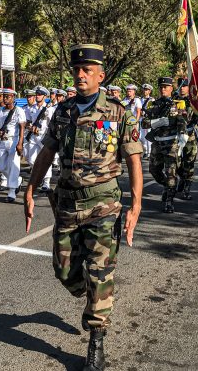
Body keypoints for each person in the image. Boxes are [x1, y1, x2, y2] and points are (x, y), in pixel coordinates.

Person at [24, 44, 143, 371]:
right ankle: (89, 292)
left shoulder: (118, 112)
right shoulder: (63, 111)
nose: (80, 75)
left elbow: (134, 160)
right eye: (76, 70)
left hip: (104, 204)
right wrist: (31, 189)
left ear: (100, 76)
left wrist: (135, 206)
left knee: (99, 271)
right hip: (67, 203)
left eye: (87, 70)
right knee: (64, 270)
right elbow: (47, 152)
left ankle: (96, 338)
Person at [143, 77, 186, 213]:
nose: (163, 89)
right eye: (161, 87)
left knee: (170, 172)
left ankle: (169, 201)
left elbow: (182, 120)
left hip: (171, 143)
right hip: (157, 142)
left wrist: (182, 134)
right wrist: (156, 122)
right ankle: (167, 186)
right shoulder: (153, 104)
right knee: (154, 170)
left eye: (166, 87)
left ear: (171, 88)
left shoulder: (177, 104)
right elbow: (144, 123)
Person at [174, 78, 198, 201]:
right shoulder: (173, 100)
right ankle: (182, 177)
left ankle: (187, 188)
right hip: (175, 136)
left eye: (185, 86)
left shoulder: (193, 101)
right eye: (180, 86)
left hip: (190, 136)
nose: (182, 88)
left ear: (188, 87)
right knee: (175, 162)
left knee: (189, 162)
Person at [0, 88, 26, 202]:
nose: (5, 98)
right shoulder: (0, 111)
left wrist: (20, 143)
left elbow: (22, 128)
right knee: (1, 166)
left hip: (14, 140)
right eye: (4, 96)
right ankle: (17, 180)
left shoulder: (19, 111)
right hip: (2, 141)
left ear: (13, 98)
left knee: (13, 165)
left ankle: (12, 192)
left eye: (8, 96)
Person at [26, 86, 54, 192]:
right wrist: (30, 127)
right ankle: (41, 176)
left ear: (45, 96)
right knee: (31, 159)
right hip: (33, 136)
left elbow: (52, 124)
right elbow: (28, 121)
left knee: (46, 159)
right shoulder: (31, 108)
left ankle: (46, 182)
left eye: (40, 94)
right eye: (37, 94)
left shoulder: (49, 109)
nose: (37, 96)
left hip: (44, 136)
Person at [140, 84, 155, 158]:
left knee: (148, 136)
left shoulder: (151, 100)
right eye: (144, 89)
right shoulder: (139, 99)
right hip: (141, 119)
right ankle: (145, 150)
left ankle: (149, 152)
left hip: (148, 120)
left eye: (146, 90)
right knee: (141, 137)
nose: (145, 91)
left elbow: (152, 110)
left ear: (149, 91)